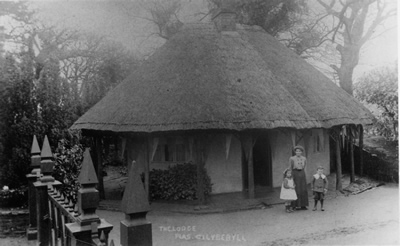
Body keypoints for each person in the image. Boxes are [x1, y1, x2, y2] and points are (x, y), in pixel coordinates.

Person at [289, 145, 309, 210]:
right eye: (297, 151)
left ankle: (303, 205)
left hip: (302, 173)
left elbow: (305, 166)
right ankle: (294, 205)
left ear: (301, 152)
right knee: (296, 189)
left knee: (303, 189)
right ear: (295, 152)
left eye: (299, 151)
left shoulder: (304, 158)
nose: (298, 152)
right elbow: (290, 168)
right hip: (295, 173)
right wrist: (290, 176)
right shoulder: (292, 158)